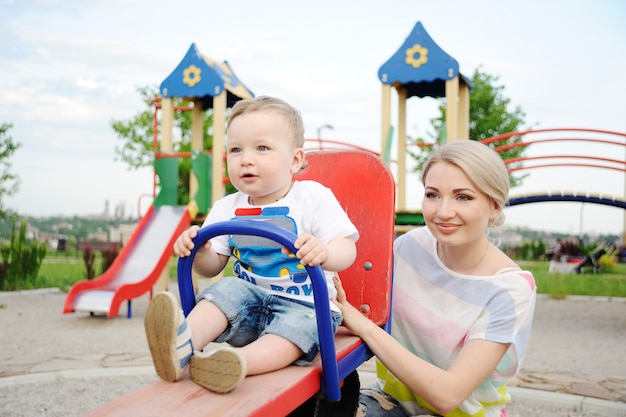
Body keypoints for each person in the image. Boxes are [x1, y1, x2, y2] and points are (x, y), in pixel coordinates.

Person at [144, 96, 359, 393]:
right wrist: (198, 252)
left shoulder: (312, 198)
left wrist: (326, 252)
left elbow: (347, 248)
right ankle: (182, 343)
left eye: (262, 148)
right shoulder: (226, 207)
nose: (246, 158)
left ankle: (232, 363)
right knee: (223, 289)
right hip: (250, 304)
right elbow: (212, 267)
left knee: (292, 333)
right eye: (236, 149)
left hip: (307, 305)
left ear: (295, 160)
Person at [334, 140, 537, 417]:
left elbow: (448, 395)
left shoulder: (509, 290)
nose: (443, 212)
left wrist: (366, 328)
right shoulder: (409, 247)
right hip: (393, 401)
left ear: (494, 207)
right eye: (432, 195)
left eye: (463, 197)